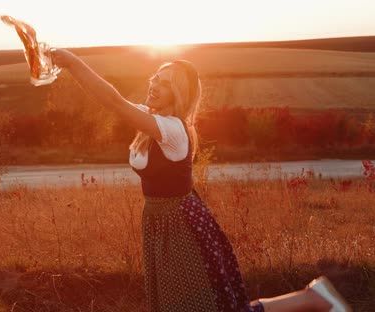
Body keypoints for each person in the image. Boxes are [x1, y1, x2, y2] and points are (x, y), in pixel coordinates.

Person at [50, 48, 352, 312]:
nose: (154, 84)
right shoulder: (152, 120)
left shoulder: (172, 130)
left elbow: (114, 101)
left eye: (165, 83)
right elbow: (108, 99)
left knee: (205, 306)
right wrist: (65, 68)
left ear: (177, 94)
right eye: (155, 76)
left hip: (181, 227)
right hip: (161, 223)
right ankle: (314, 296)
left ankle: (313, 299)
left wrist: (72, 62)